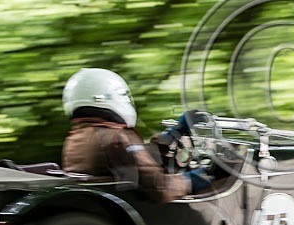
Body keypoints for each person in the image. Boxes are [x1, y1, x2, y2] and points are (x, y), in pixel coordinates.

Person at [61, 68, 211, 202]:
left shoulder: (75, 138)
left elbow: (132, 162)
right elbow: (159, 187)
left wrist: (172, 134)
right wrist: (200, 177)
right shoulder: (117, 137)